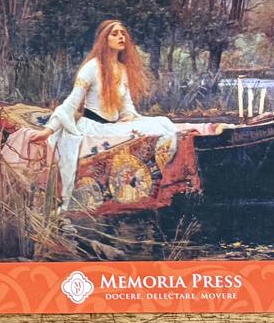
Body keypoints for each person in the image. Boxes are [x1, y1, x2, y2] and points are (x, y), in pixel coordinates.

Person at [41, 18, 179, 207]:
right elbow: (70, 104)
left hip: (112, 125)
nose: (121, 37)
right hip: (93, 126)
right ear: (104, 40)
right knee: (160, 125)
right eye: (115, 34)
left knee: (163, 122)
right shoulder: (92, 67)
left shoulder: (122, 69)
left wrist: (128, 116)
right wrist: (48, 130)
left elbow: (126, 105)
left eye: (123, 33)